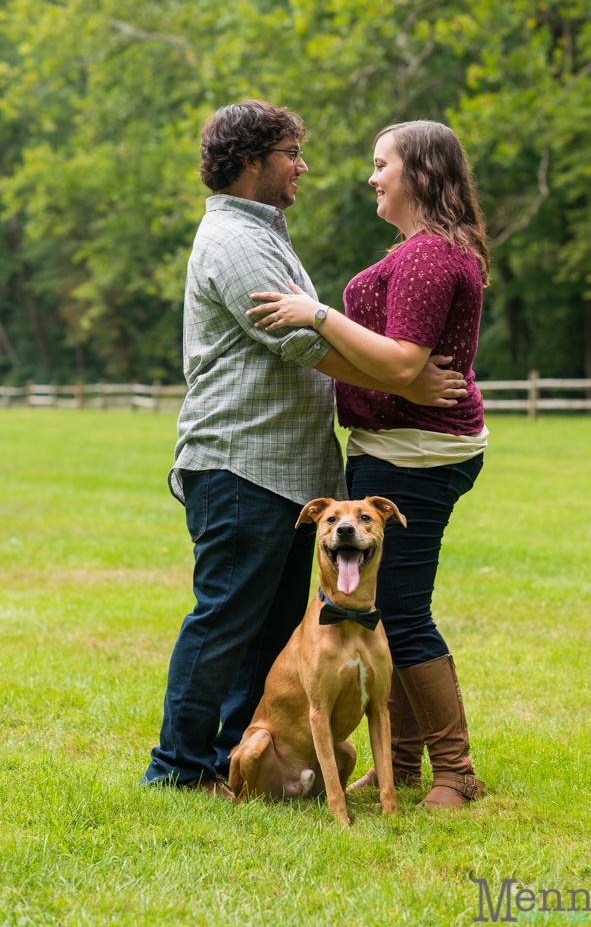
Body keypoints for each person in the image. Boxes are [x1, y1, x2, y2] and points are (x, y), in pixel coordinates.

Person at [141, 101, 467, 795]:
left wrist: (393, 371)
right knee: (225, 617)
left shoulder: (264, 231)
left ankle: (240, 758)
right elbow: (300, 342)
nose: (303, 164)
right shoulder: (233, 239)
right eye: (292, 151)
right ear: (253, 160)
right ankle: (176, 768)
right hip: (240, 462)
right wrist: (401, 376)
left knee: (269, 630)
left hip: (287, 471)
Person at [246, 119, 490, 809]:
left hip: (412, 454)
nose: (371, 175)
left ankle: (454, 771)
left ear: (419, 172)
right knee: (392, 611)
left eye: (381, 163)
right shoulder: (429, 250)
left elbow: (404, 362)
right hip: (406, 445)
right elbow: (401, 360)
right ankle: (402, 766)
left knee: (402, 615)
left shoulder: (425, 256)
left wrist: (315, 314)